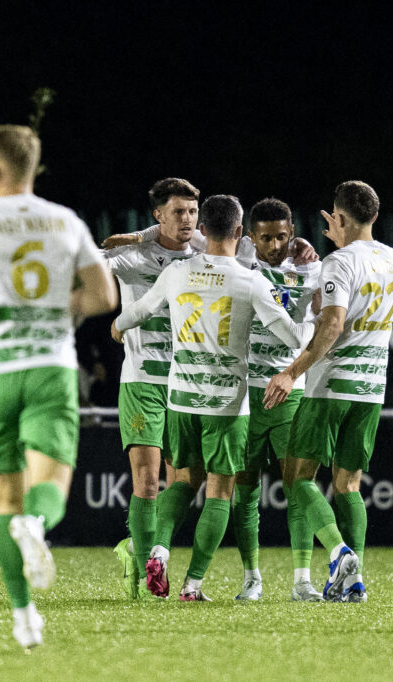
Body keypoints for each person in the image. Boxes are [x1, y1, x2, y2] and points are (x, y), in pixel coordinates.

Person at [0, 124, 116, 649]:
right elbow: (103, 294)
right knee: (48, 489)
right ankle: (38, 524)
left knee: (4, 502)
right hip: (49, 369)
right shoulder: (64, 221)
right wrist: (65, 310)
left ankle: (23, 616)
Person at [113, 194, 314, 601]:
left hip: (180, 401)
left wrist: (118, 326)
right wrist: (314, 328)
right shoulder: (249, 280)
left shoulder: (176, 273)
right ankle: (192, 584)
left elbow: (138, 313)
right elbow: (293, 337)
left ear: (202, 230)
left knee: (182, 483)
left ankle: (158, 549)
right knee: (221, 492)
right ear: (240, 233)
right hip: (226, 404)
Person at [263, 180, 393, 603]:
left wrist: (291, 372)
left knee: (299, 476)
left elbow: (332, 324)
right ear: (375, 216)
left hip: (331, 385)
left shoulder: (338, 263)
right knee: (349, 483)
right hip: (371, 386)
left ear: (338, 217)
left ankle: (340, 552)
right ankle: (353, 581)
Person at [103, 177, 205, 600]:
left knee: (185, 479)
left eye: (193, 211)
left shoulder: (204, 253)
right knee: (147, 482)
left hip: (187, 382)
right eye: (178, 211)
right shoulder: (133, 256)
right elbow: (88, 265)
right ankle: (148, 578)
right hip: (143, 379)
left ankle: (140, 548)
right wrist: (140, 239)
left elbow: (249, 247)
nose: (187, 219)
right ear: (158, 215)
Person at [231, 198, 322, 602]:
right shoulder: (242, 261)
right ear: (251, 238)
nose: (274, 244)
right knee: (245, 487)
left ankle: (302, 579)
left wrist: (304, 248)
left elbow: (324, 321)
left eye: (282, 236)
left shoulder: (311, 267)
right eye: (265, 237)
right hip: (244, 391)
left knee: (298, 485)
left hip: (290, 391)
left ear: (292, 232)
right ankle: (251, 577)